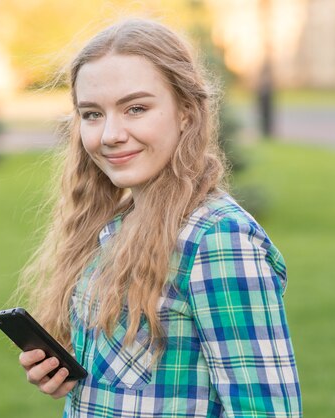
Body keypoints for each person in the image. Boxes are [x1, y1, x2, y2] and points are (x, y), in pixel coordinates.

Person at [16, 18, 302, 417]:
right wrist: (70, 369)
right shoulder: (111, 226)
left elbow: (265, 411)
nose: (110, 134)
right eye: (92, 114)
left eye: (135, 108)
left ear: (186, 112)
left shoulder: (217, 240)